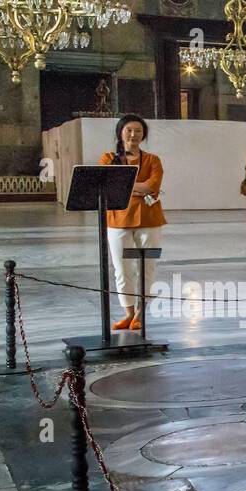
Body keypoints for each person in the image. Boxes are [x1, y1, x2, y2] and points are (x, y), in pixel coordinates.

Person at [99, 114, 165, 331]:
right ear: (120, 132)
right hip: (118, 220)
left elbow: (152, 187)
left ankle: (140, 312)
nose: (134, 134)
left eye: (138, 130)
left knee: (148, 267)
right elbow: (111, 186)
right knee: (122, 267)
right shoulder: (108, 159)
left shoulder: (153, 160)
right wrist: (139, 186)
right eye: (129, 130)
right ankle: (128, 312)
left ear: (143, 133)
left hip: (150, 221)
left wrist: (128, 186)